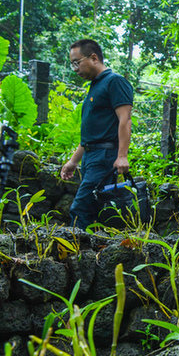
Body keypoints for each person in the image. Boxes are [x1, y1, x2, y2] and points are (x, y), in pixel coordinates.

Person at [60, 39, 133, 230]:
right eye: (72, 64)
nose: (75, 68)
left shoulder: (114, 81)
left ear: (94, 58)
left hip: (104, 157)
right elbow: (91, 135)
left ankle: (75, 254)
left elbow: (125, 119)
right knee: (95, 209)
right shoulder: (94, 86)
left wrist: (122, 156)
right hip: (91, 157)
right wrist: (73, 162)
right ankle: (91, 253)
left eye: (77, 62)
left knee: (81, 208)